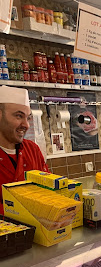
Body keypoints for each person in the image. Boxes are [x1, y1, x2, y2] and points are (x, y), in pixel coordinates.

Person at [0, 86, 48, 214]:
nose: (26, 125)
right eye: (19, 116)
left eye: (28, 117)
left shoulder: (32, 149)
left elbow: (49, 188)